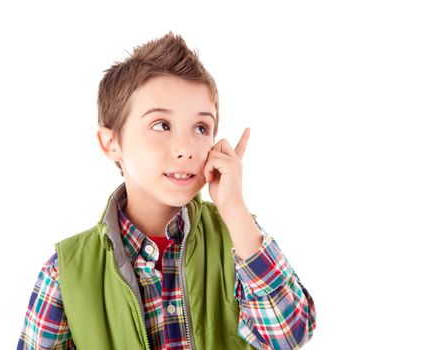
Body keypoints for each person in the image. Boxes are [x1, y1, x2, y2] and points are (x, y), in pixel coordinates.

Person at [17, 31, 316, 350]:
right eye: (161, 125)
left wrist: (234, 209)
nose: (185, 148)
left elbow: (289, 336)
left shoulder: (239, 241)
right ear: (111, 142)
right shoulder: (65, 273)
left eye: (201, 128)